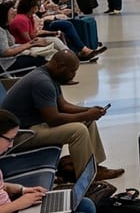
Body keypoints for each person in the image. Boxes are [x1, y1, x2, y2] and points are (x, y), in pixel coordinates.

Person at [0, 51, 123, 181]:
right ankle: (86, 177)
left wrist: (89, 111)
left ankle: (94, 166)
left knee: (88, 121)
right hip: (19, 135)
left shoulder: (51, 75)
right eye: (72, 71)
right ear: (60, 66)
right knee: (78, 131)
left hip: (32, 125)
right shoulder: (42, 82)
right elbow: (53, 119)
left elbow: (63, 105)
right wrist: (86, 114)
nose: (73, 75)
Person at [0, 2, 51, 74]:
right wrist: (31, 44)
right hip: (6, 64)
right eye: (12, 15)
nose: (14, 16)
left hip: (13, 58)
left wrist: (31, 43)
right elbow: (6, 52)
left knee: (42, 56)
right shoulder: (1, 30)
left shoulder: (6, 29)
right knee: (38, 60)